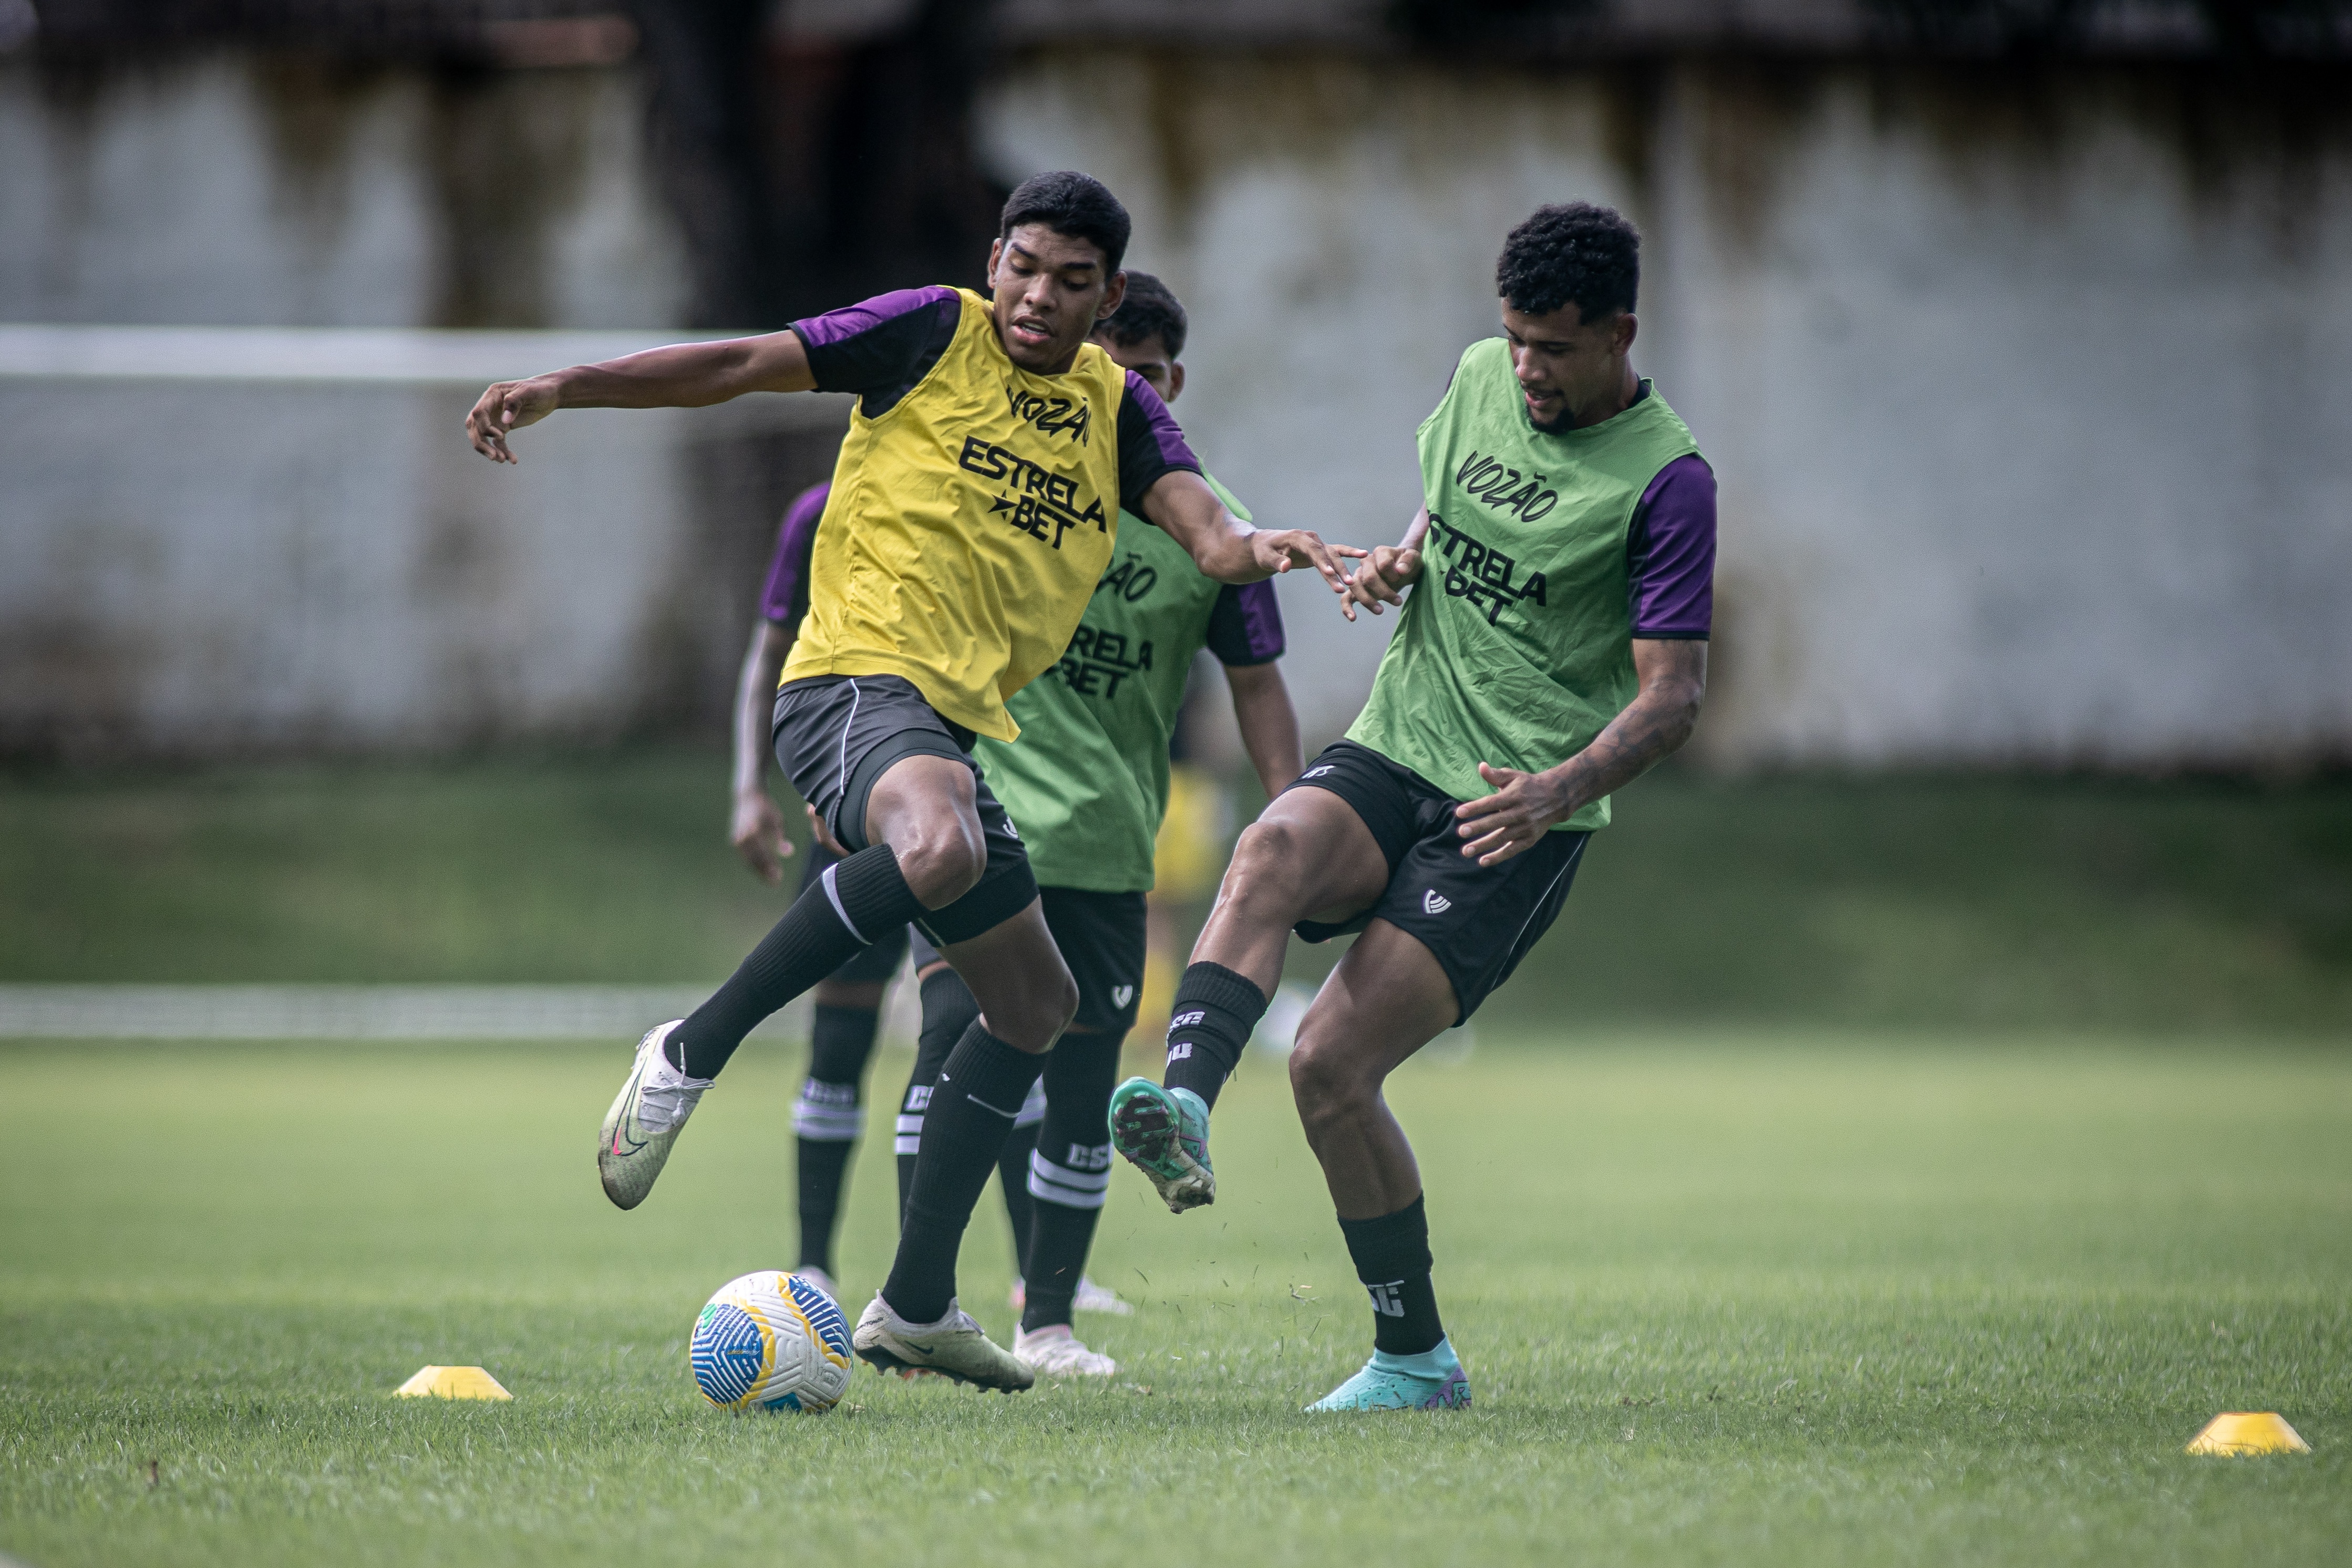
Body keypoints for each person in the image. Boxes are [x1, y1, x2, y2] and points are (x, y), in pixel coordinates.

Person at [464, 170, 1355, 1392]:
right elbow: (738, 365)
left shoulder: (1120, 411)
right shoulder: (929, 330)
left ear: (1106, 301)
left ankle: (919, 1305)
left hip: (947, 729)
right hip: (847, 684)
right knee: (941, 850)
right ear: (994, 260)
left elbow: (1208, 534)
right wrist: (571, 384)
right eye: (1026, 267)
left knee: (1036, 1006)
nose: (1041, 297)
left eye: (1073, 281)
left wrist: (1276, 545)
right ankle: (689, 1051)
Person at [1106, 202, 1716, 1412]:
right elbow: (1456, 503)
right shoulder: (1483, 376)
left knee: (1331, 1065)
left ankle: (1413, 1355)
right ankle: (1183, 1103)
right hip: (1403, 738)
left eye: (1554, 347)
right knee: (1270, 844)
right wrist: (1402, 556)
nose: (1527, 369)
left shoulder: (1670, 481)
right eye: (1515, 341)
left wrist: (1561, 790)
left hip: (1510, 810)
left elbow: (1675, 697)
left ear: (1620, 333)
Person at [888, 274, 1302, 1378]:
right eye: (1114, 373)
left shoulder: (1212, 524)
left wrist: (1291, 816)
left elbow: (1258, 680)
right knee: (946, 1054)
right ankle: (911, 1299)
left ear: (1175, 384)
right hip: (983, 826)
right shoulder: (1012, 484)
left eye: (1152, 377)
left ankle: (1049, 1323)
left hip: (1114, 845)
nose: (1133, 396)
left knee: (1081, 1086)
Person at [728, 480, 911, 1302]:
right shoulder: (819, 512)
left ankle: (939, 1290)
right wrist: (750, 787)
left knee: (970, 1039)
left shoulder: (987, 495)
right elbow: (770, 656)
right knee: (838, 1045)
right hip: (849, 815)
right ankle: (814, 1267)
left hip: (965, 802)